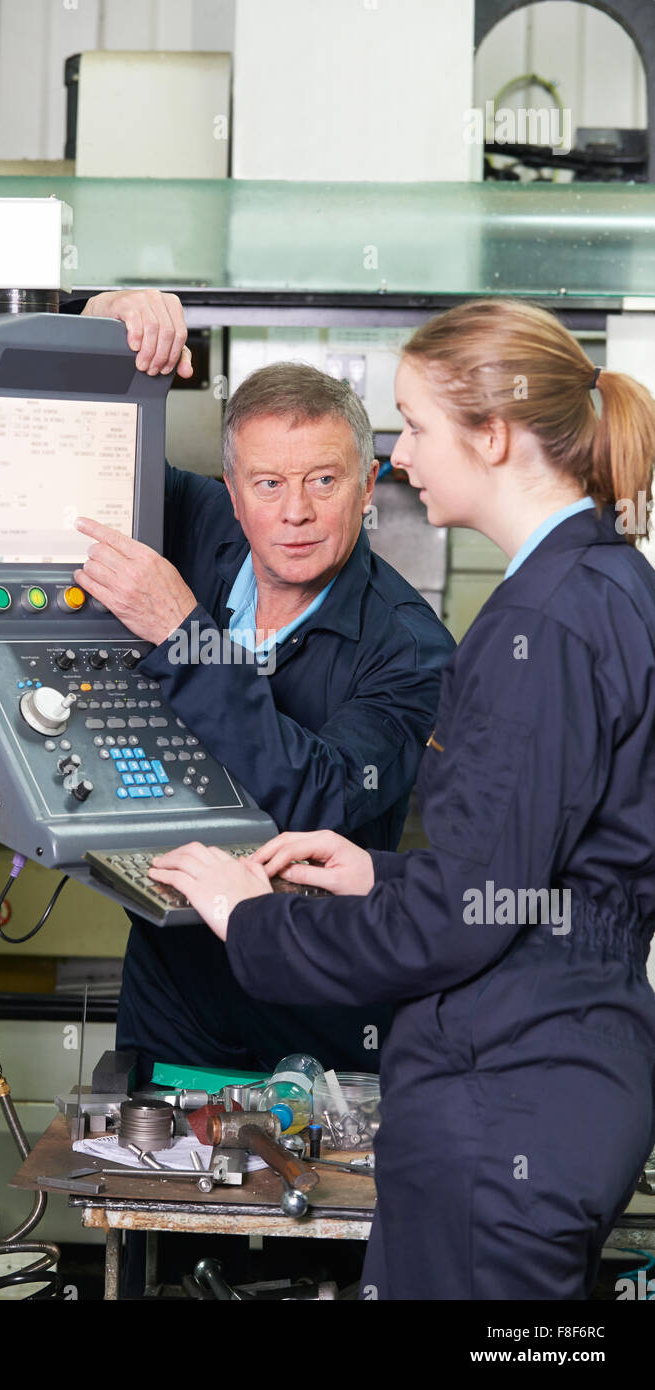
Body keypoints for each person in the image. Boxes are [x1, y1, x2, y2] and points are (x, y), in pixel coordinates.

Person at [149, 297, 655, 1300]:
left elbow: (461, 923)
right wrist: (377, 868)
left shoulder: (537, 626)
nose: (404, 454)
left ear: (494, 433)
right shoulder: (606, 583)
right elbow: (535, 871)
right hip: (569, 1070)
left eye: (415, 425)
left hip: (501, 1094)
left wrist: (251, 920)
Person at [67, 289, 455, 1083]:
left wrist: (187, 637)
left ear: (368, 484)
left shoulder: (412, 649)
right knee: (146, 1190)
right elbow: (78, 460)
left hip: (313, 1007)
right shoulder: (200, 524)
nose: (297, 513)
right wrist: (100, 329)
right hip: (172, 988)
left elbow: (320, 801)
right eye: (269, 485)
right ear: (232, 489)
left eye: (324, 480)